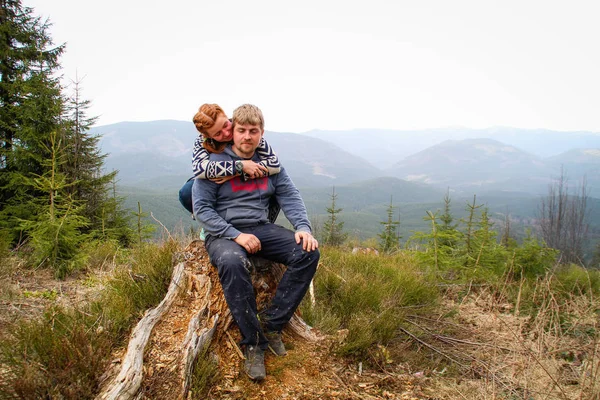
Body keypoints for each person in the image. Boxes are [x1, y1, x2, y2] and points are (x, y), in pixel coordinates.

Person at [192, 104, 319, 381]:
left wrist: (303, 227)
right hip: (224, 233)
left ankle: (273, 325)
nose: (247, 136)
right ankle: (254, 342)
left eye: (253, 131)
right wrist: (235, 235)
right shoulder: (216, 162)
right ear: (232, 131)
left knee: (307, 252)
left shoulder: (269, 164)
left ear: (261, 133)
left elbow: (290, 195)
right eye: (241, 130)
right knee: (232, 261)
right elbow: (201, 209)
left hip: (260, 227)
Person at [178, 103, 281, 216]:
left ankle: (266, 222)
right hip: (217, 182)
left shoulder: (243, 128)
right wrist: (239, 166)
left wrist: (239, 172)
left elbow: (275, 164)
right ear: (208, 136)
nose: (226, 133)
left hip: (249, 176)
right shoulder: (202, 141)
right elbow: (199, 169)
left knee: (277, 186)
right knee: (187, 192)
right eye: (218, 133)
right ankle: (212, 221)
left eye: (226, 124)